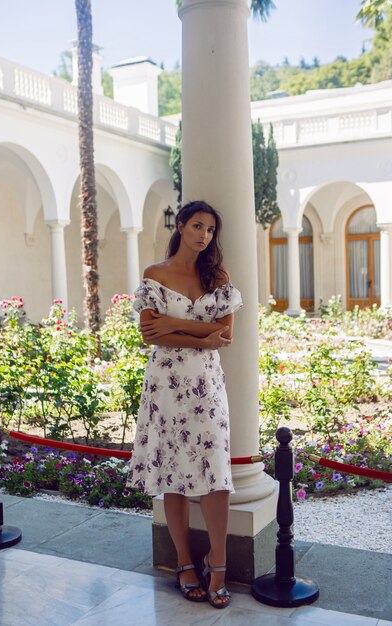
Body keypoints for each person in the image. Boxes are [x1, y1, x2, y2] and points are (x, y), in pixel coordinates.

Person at [127, 200, 242, 609]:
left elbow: (224, 336)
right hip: (166, 387)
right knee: (172, 471)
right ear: (180, 225)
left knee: (216, 475)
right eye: (197, 226)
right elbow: (150, 335)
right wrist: (200, 333)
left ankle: (220, 564)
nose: (204, 235)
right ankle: (184, 562)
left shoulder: (218, 276)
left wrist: (175, 322)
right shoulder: (154, 275)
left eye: (210, 230)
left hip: (207, 386)